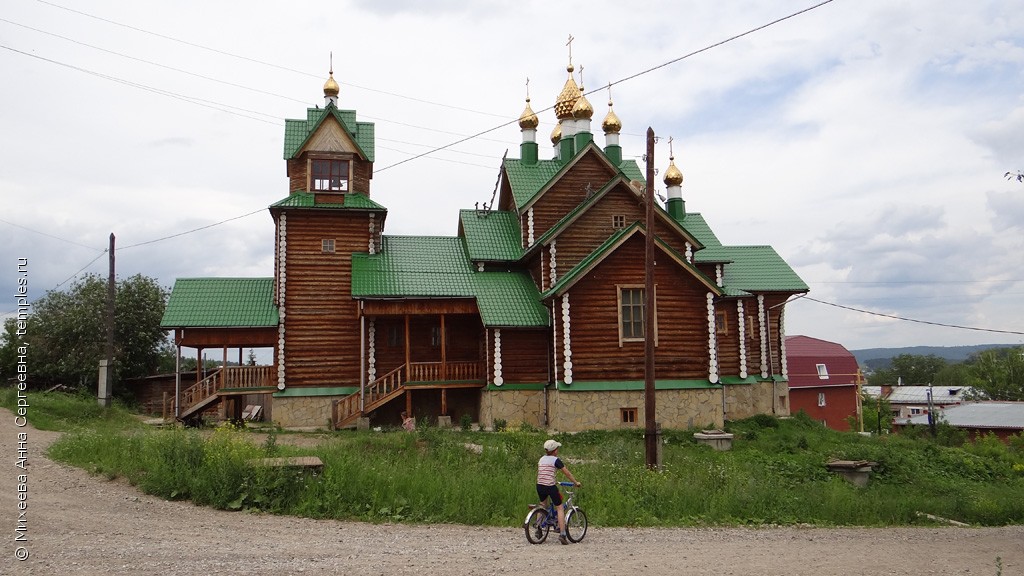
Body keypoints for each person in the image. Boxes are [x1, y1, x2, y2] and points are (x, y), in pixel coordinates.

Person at [536, 439, 580, 545]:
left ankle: (538, 529)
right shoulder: (556, 460)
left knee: (543, 505)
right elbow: (567, 473)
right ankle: (563, 534)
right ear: (555, 450)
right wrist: (575, 482)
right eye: (557, 448)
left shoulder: (541, 459)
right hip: (550, 486)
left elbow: (544, 473)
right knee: (559, 507)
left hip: (540, 485)